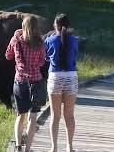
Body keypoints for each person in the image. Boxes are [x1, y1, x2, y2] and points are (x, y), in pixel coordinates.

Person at [5, 16, 46, 152]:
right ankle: (28, 149)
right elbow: (41, 61)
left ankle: (18, 146)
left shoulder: (16, 40)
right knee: (32, 117)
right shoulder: (40, 42)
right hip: (36, 82)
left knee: (20, 114)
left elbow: (8, 56)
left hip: (21, 81)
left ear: (23, 26)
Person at [45, 14, 78, 152]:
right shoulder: (74, 40)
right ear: (68, 25)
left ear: (55, 25)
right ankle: (69, 146)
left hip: (55, 77)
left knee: (55, 115)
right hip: (71, 76)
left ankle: (54, 147)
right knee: (69, 115)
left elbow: (46, 57)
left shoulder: (49, 40)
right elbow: (75, 56)